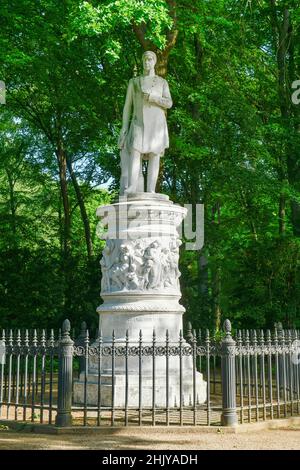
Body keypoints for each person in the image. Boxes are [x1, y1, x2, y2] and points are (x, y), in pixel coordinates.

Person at [118, 51, 172, 194]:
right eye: (145, 59)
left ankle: (151, 191)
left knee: (155, 155)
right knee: (135, 152)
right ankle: (132, 187)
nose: (147, 62)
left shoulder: (162, 82)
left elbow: (169, 103)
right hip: (138, 122)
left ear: (154, 62)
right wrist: (124, 128)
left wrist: (153, 98)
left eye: (150, 59)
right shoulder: (134, 82)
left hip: (157, 124)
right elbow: (127, 107)